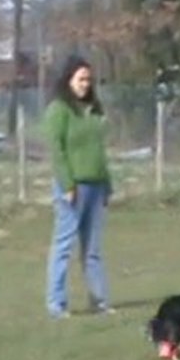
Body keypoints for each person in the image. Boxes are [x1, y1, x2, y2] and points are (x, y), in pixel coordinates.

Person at [43, 55, 115, 319]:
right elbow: (57, 150)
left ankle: (99, 300)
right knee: (64, 245)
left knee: (93, 248)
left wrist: (107, 183)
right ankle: (56, 303)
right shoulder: (59, 110)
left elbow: (99, 150)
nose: (85, 84)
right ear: (69, 80)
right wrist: (67, 184)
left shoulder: (94, 110)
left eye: (88, 80)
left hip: (96, 186)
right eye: (81, 79)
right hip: (73, 187)